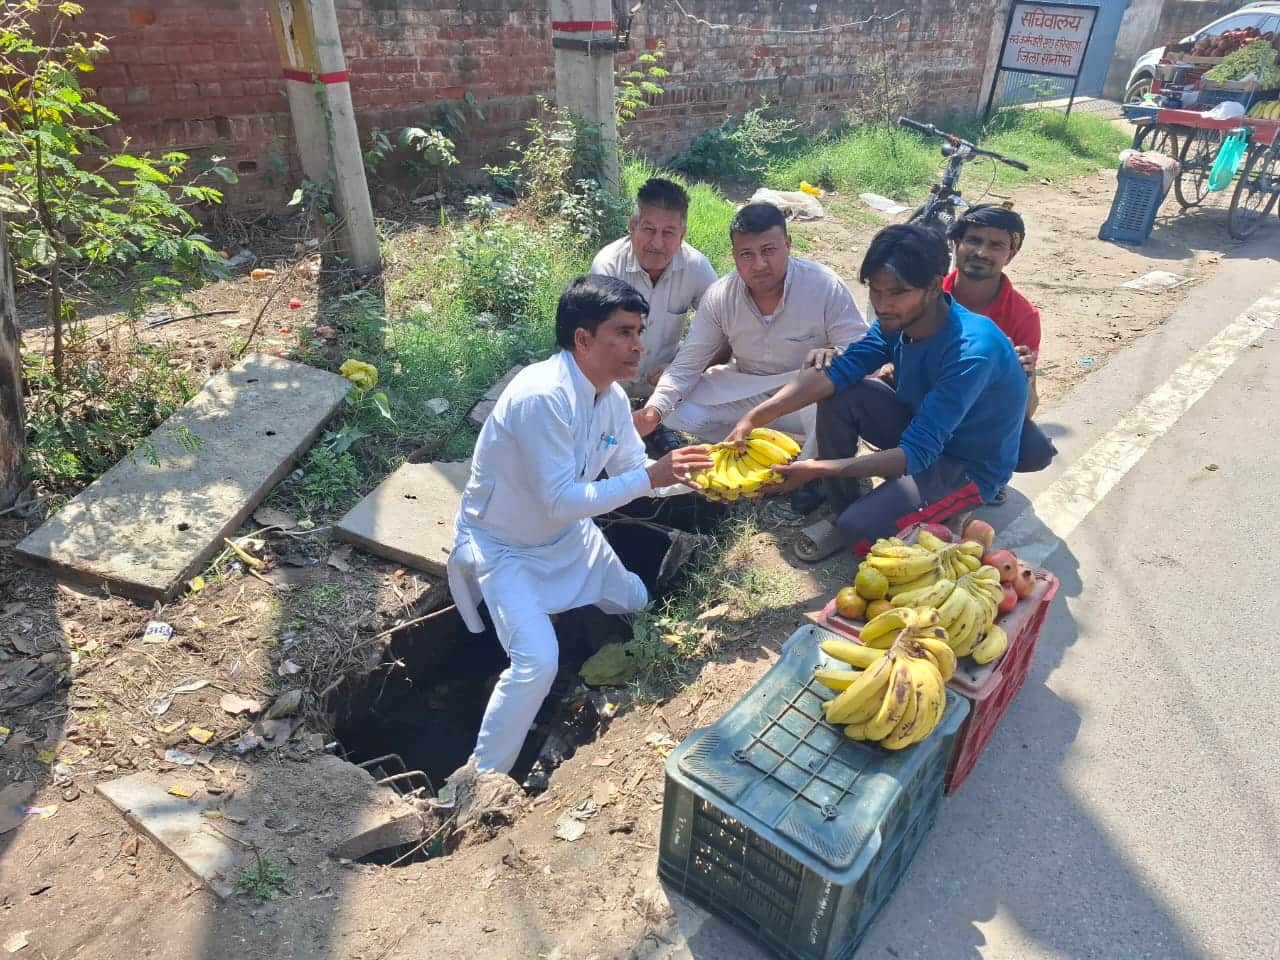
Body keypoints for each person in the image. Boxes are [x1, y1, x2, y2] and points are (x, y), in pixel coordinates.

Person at [447, 276, 715, 775]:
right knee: (536, 663)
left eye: (640, 331)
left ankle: (640, 672)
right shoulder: (541, 398)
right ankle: (480, 782)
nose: (638, 345)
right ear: (583, 339)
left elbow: (637, 476)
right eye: (624, 332)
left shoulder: (610, 398)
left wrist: (699, 481)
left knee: (634, 599)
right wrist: (649, 476)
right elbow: (557, 501)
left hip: (567, 536)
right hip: (505, 546)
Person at [726, 223, 1027, 562]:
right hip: (921, 427)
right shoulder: (895, 322)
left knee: (860, 530)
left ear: (931, 287)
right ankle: (852, 507)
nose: (882, 304)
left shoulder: (971, 351)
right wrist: (756, 416)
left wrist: (817, 467)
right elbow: (840, 371)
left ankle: (940, 512)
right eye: (875, 290)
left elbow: (917, 453)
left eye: (896, 292)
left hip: (966, 463)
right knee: (839, 393)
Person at [632, 202, 868, 454]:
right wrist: (653, 412)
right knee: (675, 411)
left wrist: (835, 353)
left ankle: (805, 471)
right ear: (734, 255)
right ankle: (762, 446)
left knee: (832, 394)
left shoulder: (823, 285)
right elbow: (687, 365)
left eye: (768, 250)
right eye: (747, 254)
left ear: (787, 245)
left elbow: (862, 350)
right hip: (745, 388)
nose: (759, 264)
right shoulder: (721, 295)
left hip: (804, 395)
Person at [944, 203, 1057, 476]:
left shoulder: (1023, 316)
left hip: (978, 418)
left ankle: (986, 475)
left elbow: (1026, 410)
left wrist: (1021, 375)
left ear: (1010, 255)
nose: (982, 252)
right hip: (922, 402)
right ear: (956, 243)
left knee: (1034, 449)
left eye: (996, 245)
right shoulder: (927, 293)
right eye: (973, 240)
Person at [590, 177, 719, 399]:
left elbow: (723, 327)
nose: (657, 243)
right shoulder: (608, 266)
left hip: (668, 380)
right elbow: (594, 338)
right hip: (611, 379)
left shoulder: (696, 267)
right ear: (632, 227)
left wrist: (680, 368)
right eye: (649, 229)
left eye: (668, 232)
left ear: (682, 235)